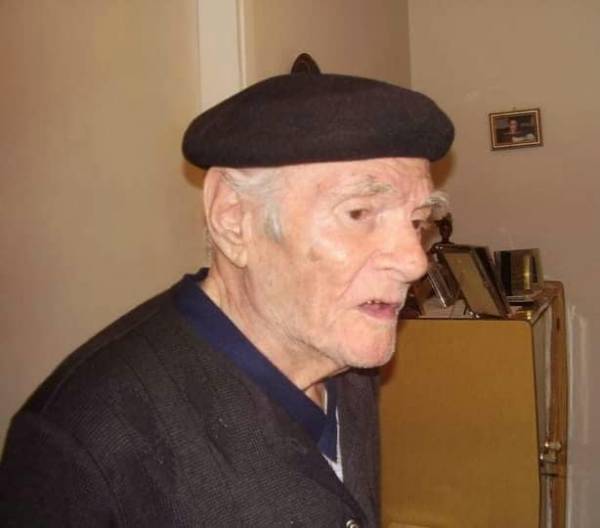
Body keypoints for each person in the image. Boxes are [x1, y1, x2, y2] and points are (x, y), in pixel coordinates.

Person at [0, 72, 453, 527]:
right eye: (359, 213)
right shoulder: (82, 438)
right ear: (233, 219)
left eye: (417, 221)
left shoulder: (345, 359)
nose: (414, 262)